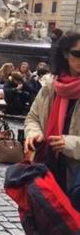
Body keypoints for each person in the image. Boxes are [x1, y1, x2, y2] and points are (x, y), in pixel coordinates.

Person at [25, 32, 80, 193]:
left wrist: (69, 143)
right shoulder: (51, 86)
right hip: (48, 166)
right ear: (64, 53)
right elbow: (33, 117)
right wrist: (34, 133)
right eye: (77, 54)